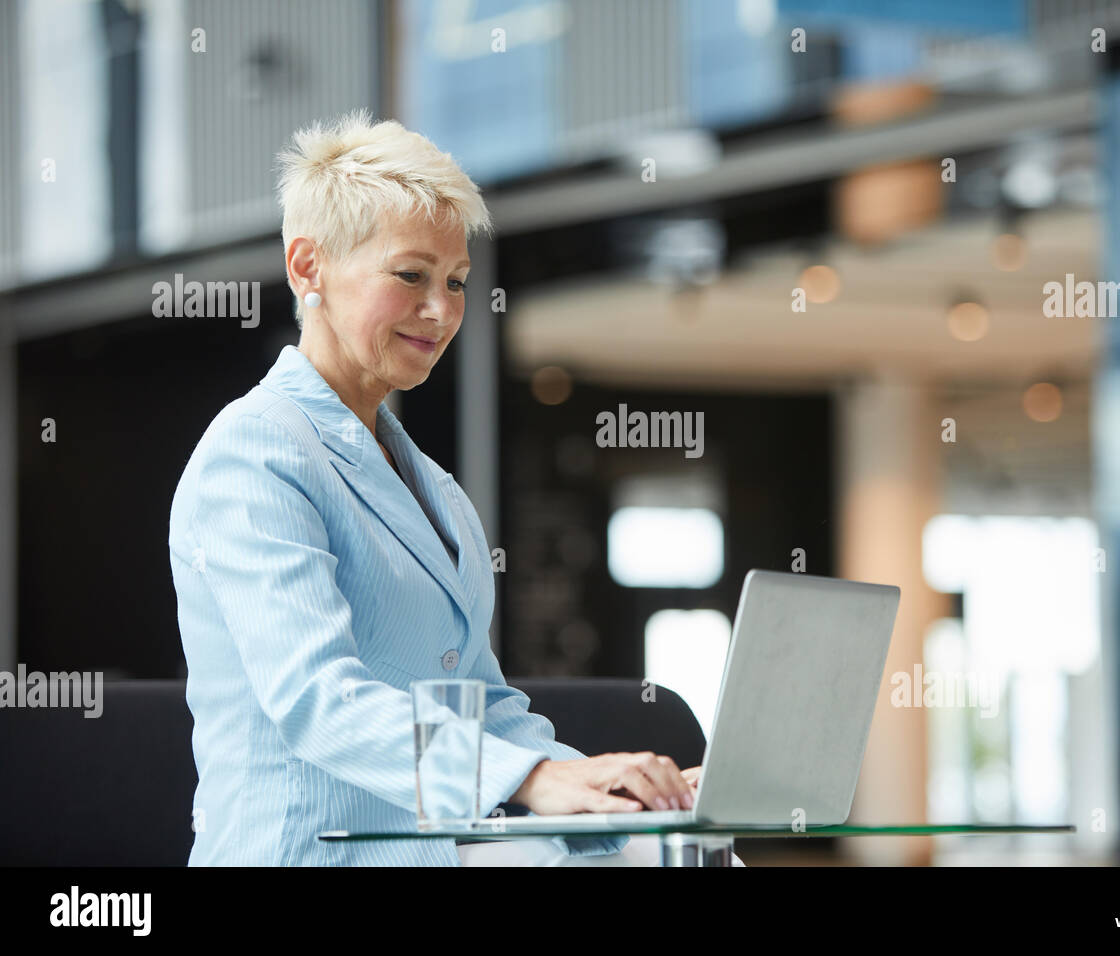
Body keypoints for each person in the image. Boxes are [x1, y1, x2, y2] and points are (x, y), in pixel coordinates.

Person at [169, 111, 723, 866]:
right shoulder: (255, 452)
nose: (441, 310)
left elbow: (483, 708)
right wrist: (536, 776)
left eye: (457, 282)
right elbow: (316, 702)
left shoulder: (434, 488)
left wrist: (604, 787)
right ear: (308, 268)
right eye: (411, 276)